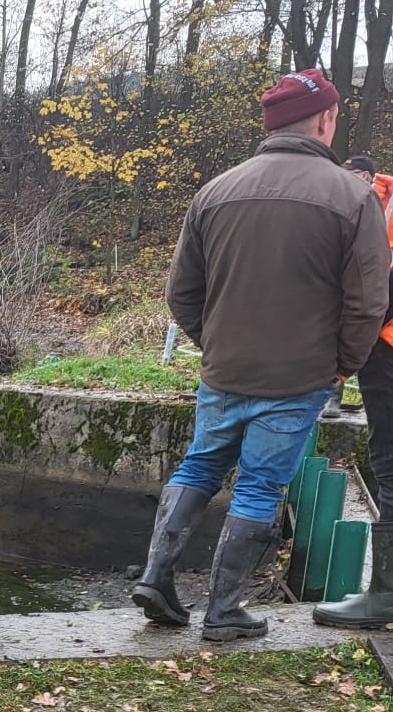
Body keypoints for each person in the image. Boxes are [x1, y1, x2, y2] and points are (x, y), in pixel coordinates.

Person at [133, 66, 389, 641]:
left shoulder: (215, 190)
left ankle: (155, 575)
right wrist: (340, 365)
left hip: (224, 370)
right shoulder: (353, 196)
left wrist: (216, 343)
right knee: (257, 486)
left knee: (199, 463)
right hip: (298, 377)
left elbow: (182, 294)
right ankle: (224, 611)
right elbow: (369, 302)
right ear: (325, 119)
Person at [316, 152, 393, 627]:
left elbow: (380, 289)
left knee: (389, 461)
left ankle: (385, 594)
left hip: (385, 345)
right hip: (380, 344)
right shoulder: (376, 198)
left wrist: (347, 349)